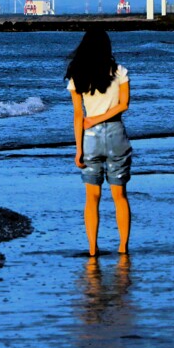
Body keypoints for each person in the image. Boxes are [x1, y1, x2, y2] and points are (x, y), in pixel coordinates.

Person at [66, 28, 132, 257]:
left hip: (90, 137)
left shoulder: (77, 75)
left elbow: (78, 116)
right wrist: (102, 118)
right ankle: (123, 246)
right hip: (116, 134)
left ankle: (93, 248)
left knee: (92, 197)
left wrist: (78, 150)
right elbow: (124, 104)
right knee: (119, 195)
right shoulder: (120, 72)